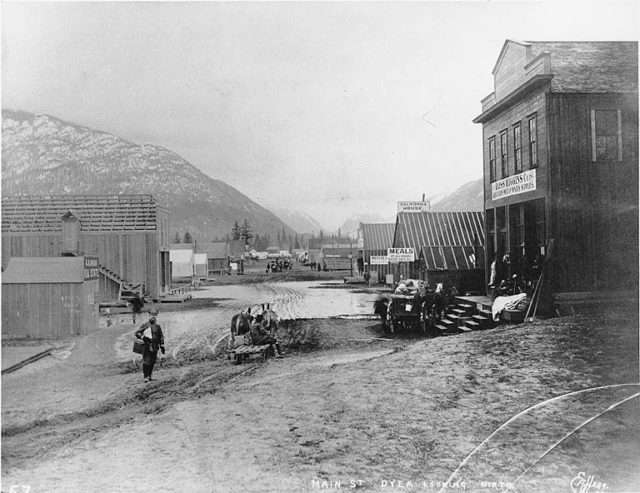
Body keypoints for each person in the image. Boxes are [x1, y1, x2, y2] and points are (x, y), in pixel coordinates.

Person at [135, 308, 165, 382]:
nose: (153, 317)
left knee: (152, 361)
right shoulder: (145, 324)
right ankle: (145, 377)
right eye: (152, 315)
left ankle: (150, 376)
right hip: (146, 346)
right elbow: (137, 333)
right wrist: (144, 337)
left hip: (155, 346)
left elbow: (160, 335)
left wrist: (162, 345)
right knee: (146, 361)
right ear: (148, 315)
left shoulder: (157, 325)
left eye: (155, 315)